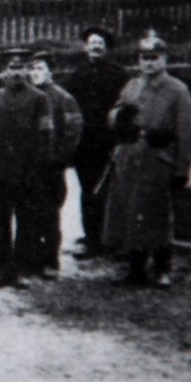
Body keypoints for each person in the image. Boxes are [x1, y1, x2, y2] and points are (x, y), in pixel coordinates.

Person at [103, 35, 191, 289]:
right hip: (130, 157)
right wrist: (119, 117)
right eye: (144, 58)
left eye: (154, 58)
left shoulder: (177, 90)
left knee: (157, 214)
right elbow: (114, 114)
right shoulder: (132, 85)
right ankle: (135, 269)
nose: (148, 63)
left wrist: (182, 169)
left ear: (164, 59)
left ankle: (162, 268)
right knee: (131, 212)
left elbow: (187, 133)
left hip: (158, 158)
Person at [0, 48, 55, 290]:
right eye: (12, 68)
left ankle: (22, 270)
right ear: (3, 71)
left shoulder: (39, 99)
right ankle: (2, 270)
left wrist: (39, 167)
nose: (16, 72)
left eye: (21, 67)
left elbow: (45, 135)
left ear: (27, 70)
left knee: (27, 223)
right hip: (0, 172)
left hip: (27, 172)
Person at [64, 26, 129, 258]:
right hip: (85, 144)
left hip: (108, 142)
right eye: (92, 43)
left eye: (100, 43)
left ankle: (111, 239)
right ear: (85, 47)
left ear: (106, 48)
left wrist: (120, 140)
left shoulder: (119, 75)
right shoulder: (77, 75)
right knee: (87, 190)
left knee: (111, 190)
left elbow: (125, 110)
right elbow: (70, 110)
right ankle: (91, 239)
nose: (95, 47)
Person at [23, 50, 83, 280]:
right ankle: (31, 260)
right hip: (29, 165)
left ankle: (50, 261)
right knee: (29, 213)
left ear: (50, 71)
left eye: (40, 68)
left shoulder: (62, 98)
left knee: (49, 214)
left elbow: (73, 130)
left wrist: (60, 158)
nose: (34, 73)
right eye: (31, 68)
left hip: (50, 166)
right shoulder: (27, 96)